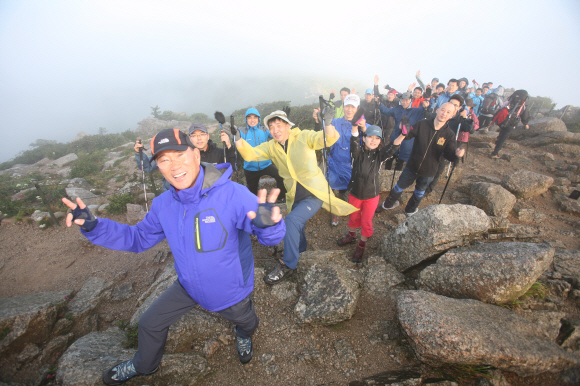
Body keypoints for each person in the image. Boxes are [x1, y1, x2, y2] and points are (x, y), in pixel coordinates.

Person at [62, 128, 286, 384]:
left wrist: (271, 225)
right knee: (149, 324)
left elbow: (270, 237)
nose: (174, 166)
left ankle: (244, 334)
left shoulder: (233, 195)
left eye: (179, 155)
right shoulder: (162, 205)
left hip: (231, 291)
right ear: (157, 166)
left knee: (246, 322)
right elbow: (137, 238)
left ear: (195, 153)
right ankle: (144, 365)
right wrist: (94, 226)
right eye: (164, 160)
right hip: (188, 286)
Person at [235, 109, 358, 285]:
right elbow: (250, 154)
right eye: (271, 127)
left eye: (279, 125)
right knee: (297, 226)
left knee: (291, 221)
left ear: (287, 125)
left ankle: (288, 264)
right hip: (294, 194)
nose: (275, 130)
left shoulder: (303, 137)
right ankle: (301, 248)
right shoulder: (271, 147)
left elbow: (327, 139)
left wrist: (328, 123)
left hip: (314, 193)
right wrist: (238, 137)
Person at [377, 102, 465, 216]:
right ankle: (388, 204)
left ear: (452, 115)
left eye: (448, 112)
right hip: (412, 165)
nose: (444, 113)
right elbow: (408, 135)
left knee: (419, 193)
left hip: (429, 171)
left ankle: (410, 210)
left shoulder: (449, 135)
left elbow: (449, 155)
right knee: (398, 187)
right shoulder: (422, 124)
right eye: (443, 110)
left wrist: (457, 155)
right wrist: (402, 129)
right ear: (437, 110)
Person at [337, 125, 398, 262]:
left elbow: (392, 147)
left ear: (380, 141)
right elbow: (353, 143)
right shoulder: (357, 154)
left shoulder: (380, 156)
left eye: (377, 138)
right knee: (353, 216)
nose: (373, 140)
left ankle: (361, 244)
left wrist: (403, 135)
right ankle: (351, 235)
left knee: (366, 221)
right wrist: (353, 126)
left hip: (371, 195)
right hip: (355, 193)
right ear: (363, 138)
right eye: (370, 137)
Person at [313, 94, 367, 226]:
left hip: (352, 166)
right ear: (343, 107)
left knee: (347, 194)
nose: (349, 109)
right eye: (347, 106)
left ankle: (344, 202)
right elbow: (321, 134)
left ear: (357, 108)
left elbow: (372, 144)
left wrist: (364, 129)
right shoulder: (335, 122)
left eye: (353, 107)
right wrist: (318, 120)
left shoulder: (364, 125)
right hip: (334, 164)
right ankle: (334, 211)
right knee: (329, 187)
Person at [424, 94, 473, 196]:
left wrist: (466, 118)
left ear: (459, 108)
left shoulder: (459, 119)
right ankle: (422, 185)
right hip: (433, 143)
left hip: (447, 146)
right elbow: (429, 116)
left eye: (456, 105)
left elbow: (468, 129)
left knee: (439, 169)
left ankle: (428, 189)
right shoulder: (441, 114)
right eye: (451, 103)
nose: (452, 106)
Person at [237, 108, 286, 200]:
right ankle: (256, 206)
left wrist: (282, 120)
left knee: (281, 177)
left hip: (266, 164)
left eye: (255, 117)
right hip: (250, 167)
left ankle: (281, 197)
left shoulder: (264, 129)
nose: (252, 120)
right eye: (249, 117)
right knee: (252, 191)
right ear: (246, 119)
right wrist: (224, 126)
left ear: (259, 119)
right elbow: (232, 132)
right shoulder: (242, 131)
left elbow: (277, 132)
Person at [490, 90, 530, 159]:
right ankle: (495, 153)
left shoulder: (508, 103)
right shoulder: (522, 106)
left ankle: (498, 141)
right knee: (503, 138)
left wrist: (493, 120)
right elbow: (525, 116)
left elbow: (500, 110)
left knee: (502, 133)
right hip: (511, 124)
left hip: (502, 122)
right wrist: (525, 124)